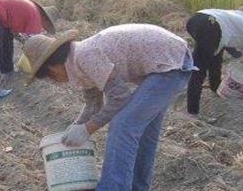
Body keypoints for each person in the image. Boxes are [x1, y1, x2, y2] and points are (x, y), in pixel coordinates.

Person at [21, 24, 197, 191]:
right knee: (143, 131)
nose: (55, 81)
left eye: (50, 77)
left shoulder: (85, 56)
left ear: (52, 67)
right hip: (168, 62)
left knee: (123, 124)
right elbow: (93, 105)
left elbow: (119, 97)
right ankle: (137, 187)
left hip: (170, 64)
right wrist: (75, 127)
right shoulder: (77, 62)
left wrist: (87, 129)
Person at [0, 0, 55, 99]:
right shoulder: (35, 17)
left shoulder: (30, 8)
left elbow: (16, 33)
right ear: (45, 19)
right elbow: (33, 44)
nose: (44, 27)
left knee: (7, 41)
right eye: (46, 25)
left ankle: (7, 70)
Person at [186, 7, 243, 115]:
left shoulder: (236, 17)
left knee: (215, 58)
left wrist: (237, 54)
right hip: (211, 25)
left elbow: (227, 39)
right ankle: (192, 111)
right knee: (199, 70)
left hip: (197, 18)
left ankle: (215, 87)